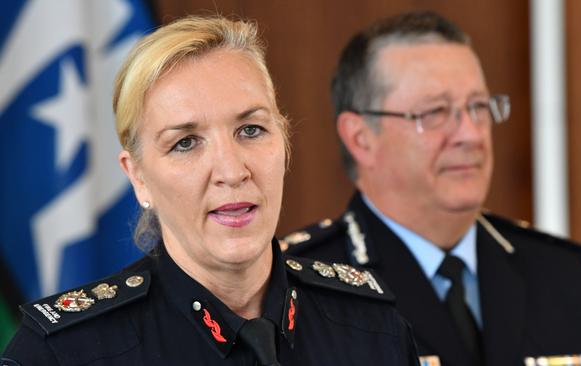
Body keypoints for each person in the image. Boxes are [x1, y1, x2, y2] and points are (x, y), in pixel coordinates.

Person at [1, 15, 420, 366]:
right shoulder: (62, 354)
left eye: (251, 130)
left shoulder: (372, 328)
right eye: (185, 142)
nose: (232, 170)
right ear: (139, 177)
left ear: (285, 143)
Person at [283, 11, 581, 366]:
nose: (471, 134)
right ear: (361, 138)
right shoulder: (298, 292)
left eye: (478, 107)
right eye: (435, 112)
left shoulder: (567, 278)